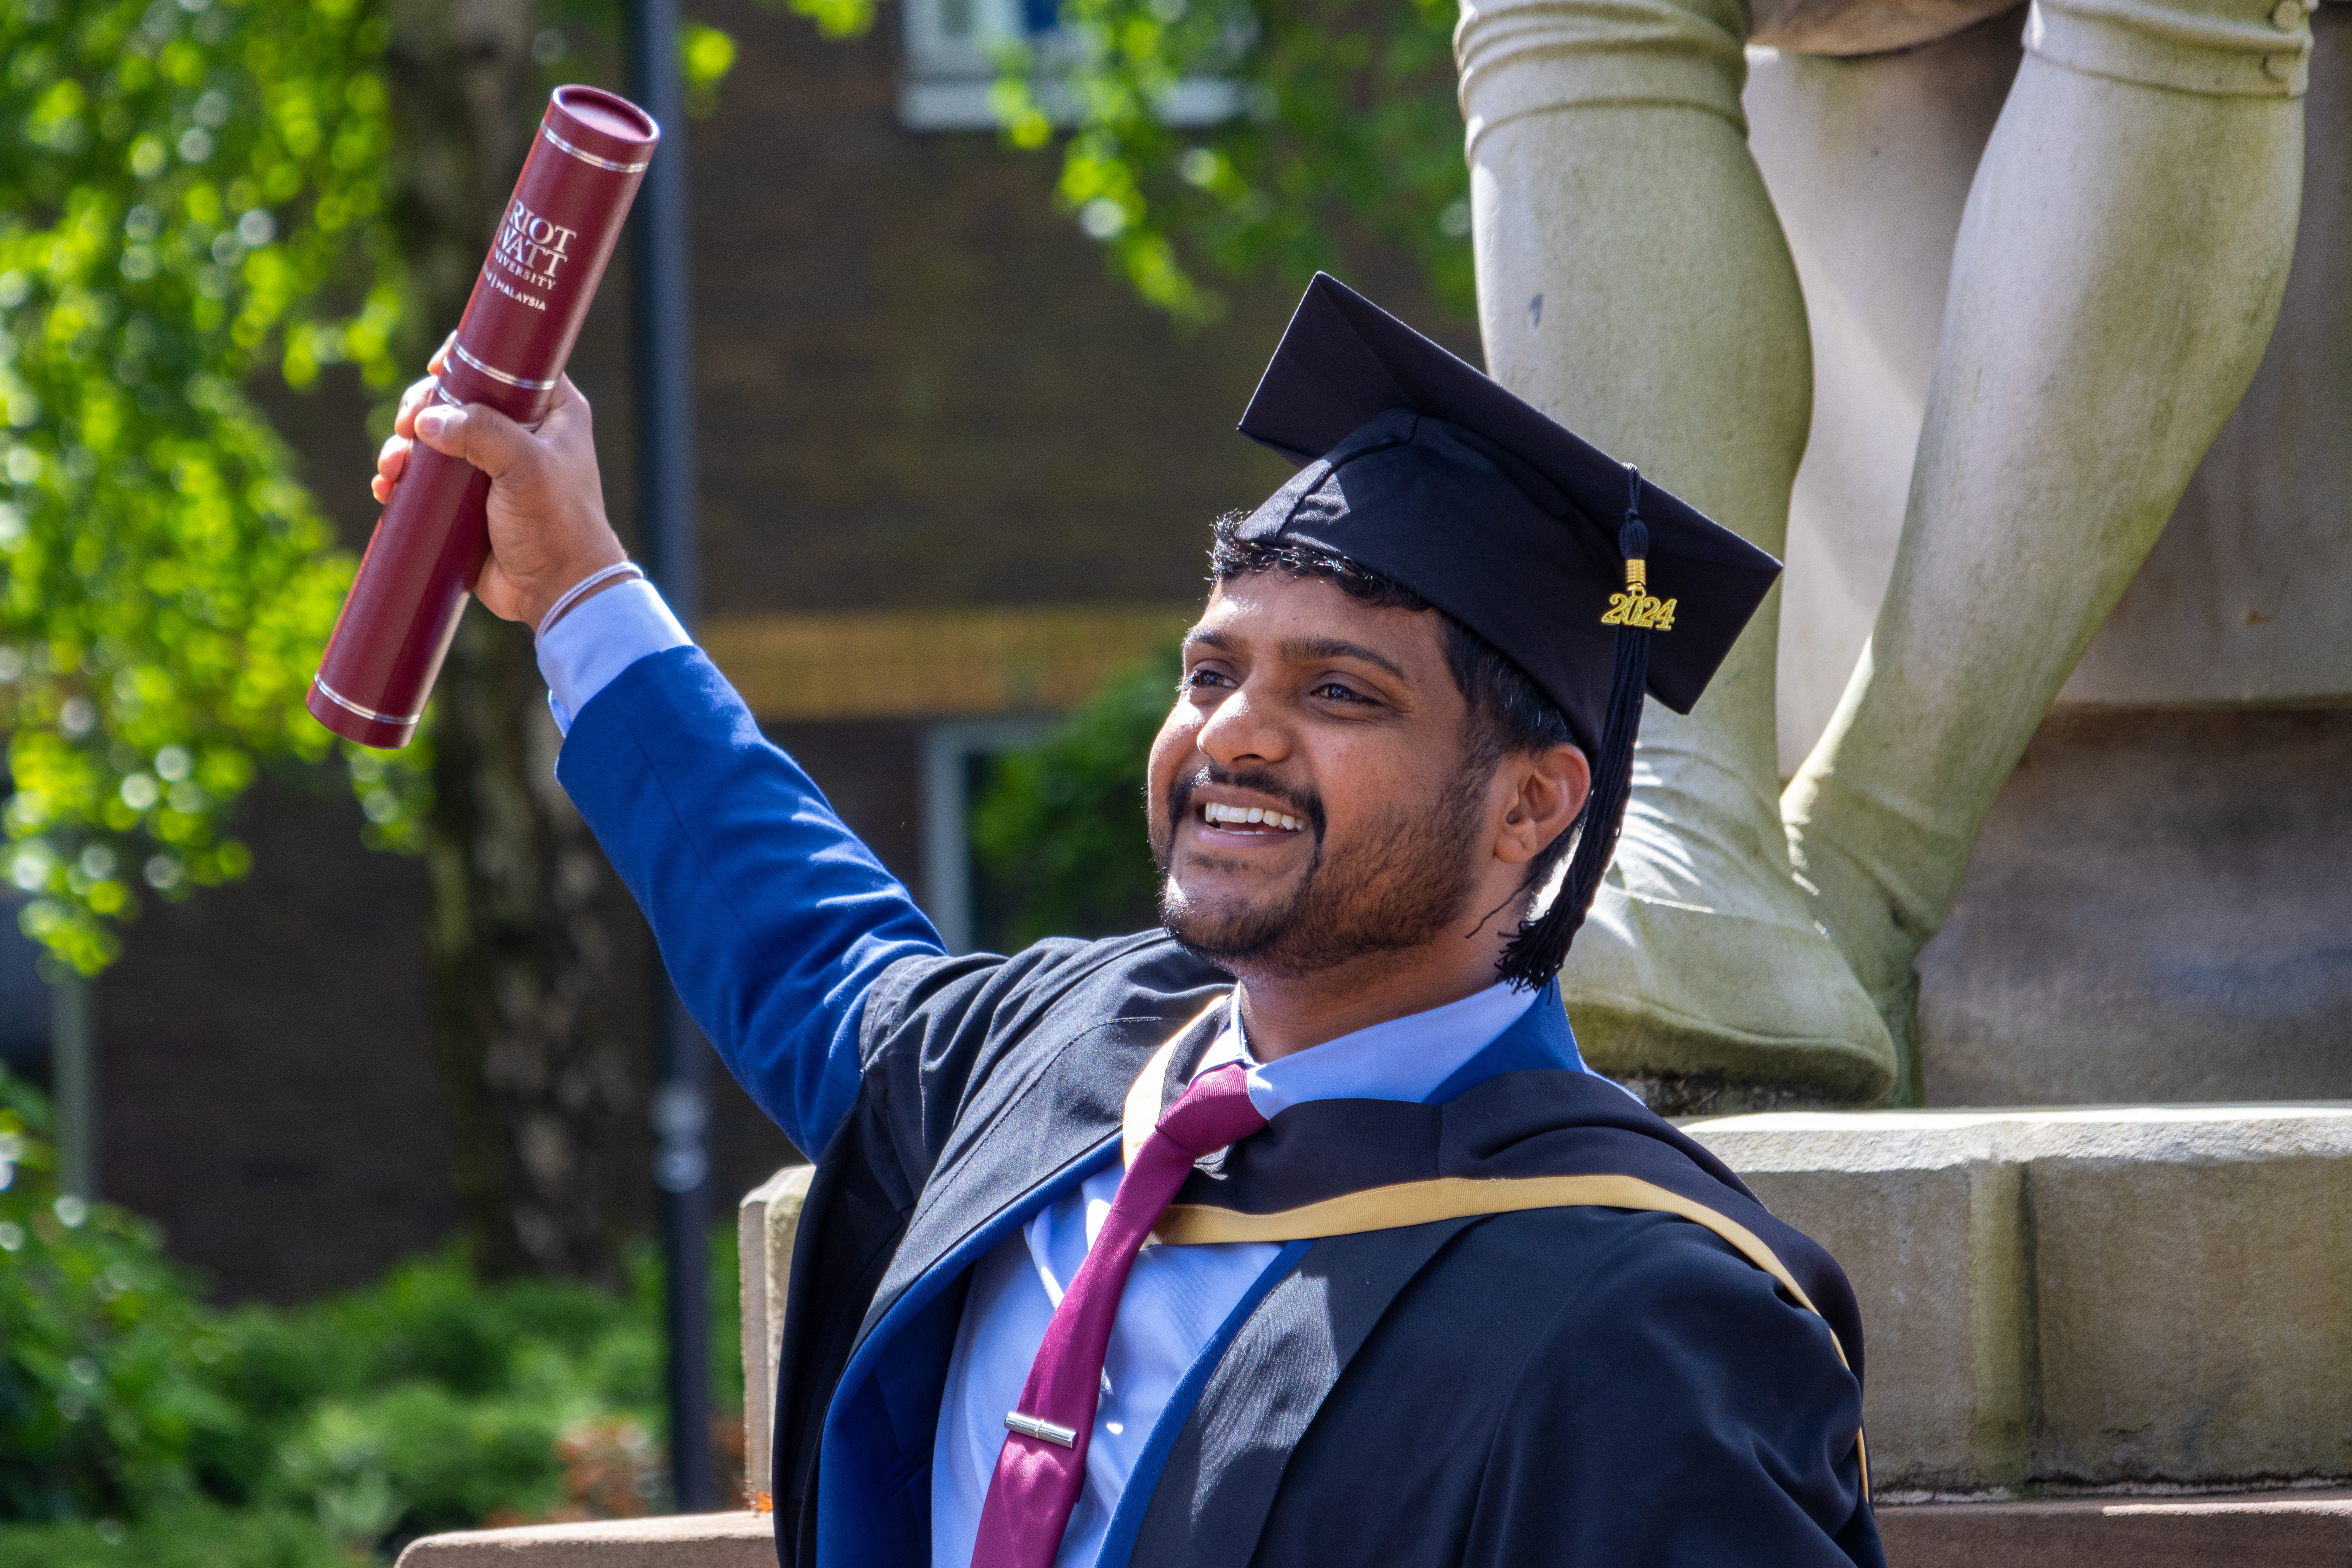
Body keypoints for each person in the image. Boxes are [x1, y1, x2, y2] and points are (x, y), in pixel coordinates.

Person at [374, 275, 1881, 1567]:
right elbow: (812, 946)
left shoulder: (1645, 1317)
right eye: (1212, 671)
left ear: (1532, 805)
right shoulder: (1061, 1064)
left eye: (1341, 692)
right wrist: (576, 583)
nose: (1234, 734)